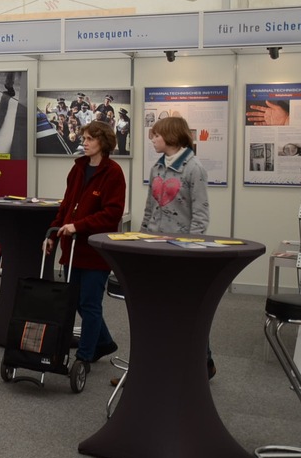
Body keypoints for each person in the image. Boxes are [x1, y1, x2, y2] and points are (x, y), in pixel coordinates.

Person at [44, 120, 125, 372]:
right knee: (76, 301)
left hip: (95, 251)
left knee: (90, 304)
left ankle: (85, 356)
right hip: (72, 249)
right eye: (84, 138)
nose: (84, 142)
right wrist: (53, 234)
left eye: (90, 138)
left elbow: (112, 214)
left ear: (103, 142)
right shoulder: (78, 168)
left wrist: (79, 226)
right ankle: (104, 342)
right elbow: (67, 206)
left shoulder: (113, 172)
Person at [142, 115, 216, 379]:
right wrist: (141, 240)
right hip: (154, 246)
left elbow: (200, 213)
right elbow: (150, 208)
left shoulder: (194, 168)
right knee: (157, 307)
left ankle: (202, 361)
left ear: (172, 137)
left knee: (186, 307)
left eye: (156, 136)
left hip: (181, 249)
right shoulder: (156, 168)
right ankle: (158, 363)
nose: (152, 140)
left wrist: (192, 249)